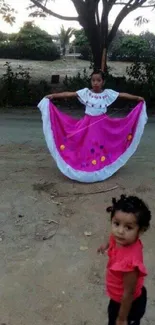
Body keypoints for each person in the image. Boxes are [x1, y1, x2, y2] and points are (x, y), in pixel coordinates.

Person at [37, 70, 147, 183]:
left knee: (100, 146)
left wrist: (137, 98)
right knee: (86, 145)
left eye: (98, 80)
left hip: (103, 126)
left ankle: (99, 166)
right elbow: (70, 94)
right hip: (87, 124)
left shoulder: (107, 94)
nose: (95, 83)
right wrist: (53, 96)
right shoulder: (85, 93)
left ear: (103, 82)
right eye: (93, 80)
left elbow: (122, 95)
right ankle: (86, 165)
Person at [97, 194, 151, 325]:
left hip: (127, 305)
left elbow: (129, 293)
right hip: (118, 298)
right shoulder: (121, 239)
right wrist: (106, 244)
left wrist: (122, 318)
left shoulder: (130, 264)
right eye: (116, 223)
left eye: (128, 227)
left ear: (141, 230)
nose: (120, 231)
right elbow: (112, 236)